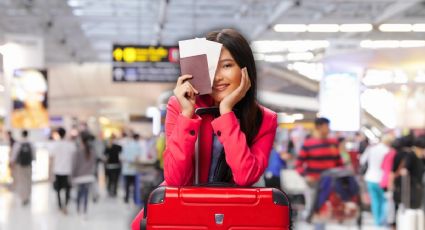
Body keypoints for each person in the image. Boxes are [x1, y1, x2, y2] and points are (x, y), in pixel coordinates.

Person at [131, 28, 278, 229]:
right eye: (211, 68)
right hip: (183, 213)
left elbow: (245, 177)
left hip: (229, 215)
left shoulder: (264, 119)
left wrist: (226, 112)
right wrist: (186, 115)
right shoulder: (182, 106)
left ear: (245, 69)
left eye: (227, 65)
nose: (218, 77)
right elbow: (175, 179)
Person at [295, 117, 343, 229]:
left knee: (325, 209)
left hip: (330, 183)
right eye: (327, 126)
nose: (329, 129)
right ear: (318, 127)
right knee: (315, 208)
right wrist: (306, 176)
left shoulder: (333, 143)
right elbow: (298, 165)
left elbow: (339, 163)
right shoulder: (308, 144)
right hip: (313, 183)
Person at [360, 134, 394, 226]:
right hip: (383, 179)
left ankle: (377, 222)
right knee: (384, 200)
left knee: (375, 200)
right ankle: (382, 221)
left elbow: (362, 160)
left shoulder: (371, 148)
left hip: (370, 177)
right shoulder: (388, 151)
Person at [50, 127, 77, 214]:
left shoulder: (54, 145)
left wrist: (49, 172)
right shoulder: (70, 145)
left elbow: (51, 158)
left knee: (58, 189)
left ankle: (59, 205)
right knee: (67, 189)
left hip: (57, 170)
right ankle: (65, 205)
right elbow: (74, 158)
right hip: (67, 170)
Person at [72, 134, 96, 218]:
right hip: (88, 177)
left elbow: (75, 165)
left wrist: (73, 175)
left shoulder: (78, 151)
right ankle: (84, 211)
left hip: (79, 177)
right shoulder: (92, 152)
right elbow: (93, 165)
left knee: (79, 193)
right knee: (86, 194)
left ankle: (78, 209)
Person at [10, 130, 35, 206]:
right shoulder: (31, 144)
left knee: (22, 181)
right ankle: (27, 196)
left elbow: (14, 155)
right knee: (28, 180)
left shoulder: (18, 144)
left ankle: (23, 197)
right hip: (29, 165)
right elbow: (34, 155)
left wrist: (12, 163)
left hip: (20, 165)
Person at [121, 133, 143, 204]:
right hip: (134, 169)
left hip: (126, 169)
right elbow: (138, 158)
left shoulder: (126, 145)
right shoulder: (138, 146)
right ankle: (134, 199)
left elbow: (122, 157)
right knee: (134, 186)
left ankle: (126, 198)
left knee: (127, 185)